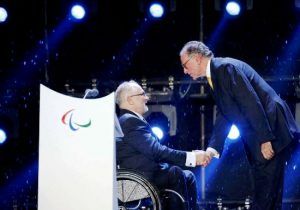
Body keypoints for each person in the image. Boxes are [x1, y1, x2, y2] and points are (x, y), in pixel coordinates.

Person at [179, 40, 300, 210]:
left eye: (185, 65)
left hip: (270, 129)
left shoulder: (225, 68)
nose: (184, 70)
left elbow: (251, 103)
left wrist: (265, 138)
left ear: (197, 58)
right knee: (267, 192)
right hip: (263, 131)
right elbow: (224, 115)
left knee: (266, 193)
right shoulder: (216, 74)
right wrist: (212, 150)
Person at [115, 80, 210, 210]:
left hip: (146, 175)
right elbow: (157, 151)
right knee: (175, 172)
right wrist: (192, 157)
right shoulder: (129, 121)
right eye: (142, 94)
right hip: (138, 181)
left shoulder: (130, 120)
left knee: (188, 176)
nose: (147, 97)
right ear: (130, 100)